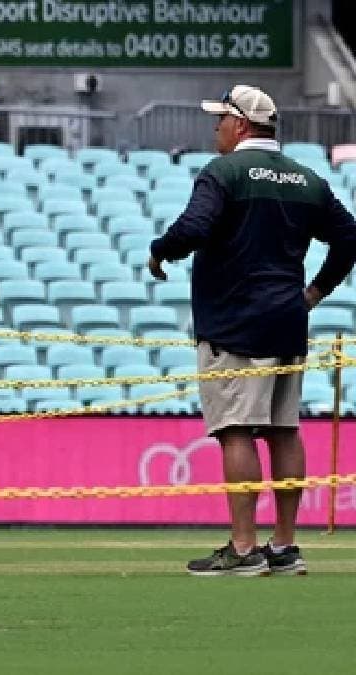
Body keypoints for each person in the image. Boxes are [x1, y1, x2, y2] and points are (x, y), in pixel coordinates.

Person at [148, 85, 356, 577]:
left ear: (241, 125)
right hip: (287, 320)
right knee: (284, 430)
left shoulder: (224, 172)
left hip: (233, 323)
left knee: (236, 430)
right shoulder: (307, 179)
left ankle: (243, 549)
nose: (214, 127)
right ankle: (284, 547)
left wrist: (159, 250)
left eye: (220, 119)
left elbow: (193, 228)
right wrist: (316, 292)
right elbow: (350, 235)